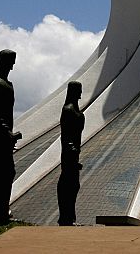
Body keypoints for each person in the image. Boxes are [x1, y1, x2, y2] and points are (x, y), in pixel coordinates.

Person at [0, 49, 22, 225]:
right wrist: (7, 133)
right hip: (0, 136)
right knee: (1, 172)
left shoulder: (7, 84)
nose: (13, 65)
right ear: (3, 62)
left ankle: (2, 209)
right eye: (11, 61)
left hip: (6, 136)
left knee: (8, 172)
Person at [57, 81, 84, 226]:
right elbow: (66, 134)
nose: (80, 93)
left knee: (74, 185)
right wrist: (70, 148)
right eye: (78, 90)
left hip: (74, 153)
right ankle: (65, 217)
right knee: (68, 184)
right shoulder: (68, 110)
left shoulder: (76, 111)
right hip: (69, 154)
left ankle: (69, 217)